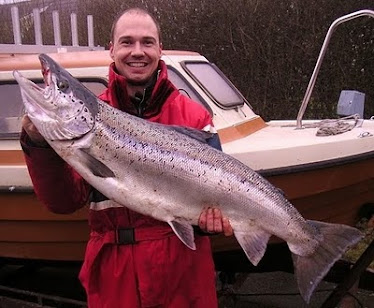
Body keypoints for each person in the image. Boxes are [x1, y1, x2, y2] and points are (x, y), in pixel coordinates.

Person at [21, 7, 233, 308]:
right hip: (116, 277)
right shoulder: (91, 124)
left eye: (147, 42)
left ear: (160, 49)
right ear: (112, 50)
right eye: (127, 42)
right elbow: (63, 202)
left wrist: (207, 222)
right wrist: (39, 144)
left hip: (183, 276)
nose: (138, 51)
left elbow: (217, 200)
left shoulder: (195, 117)